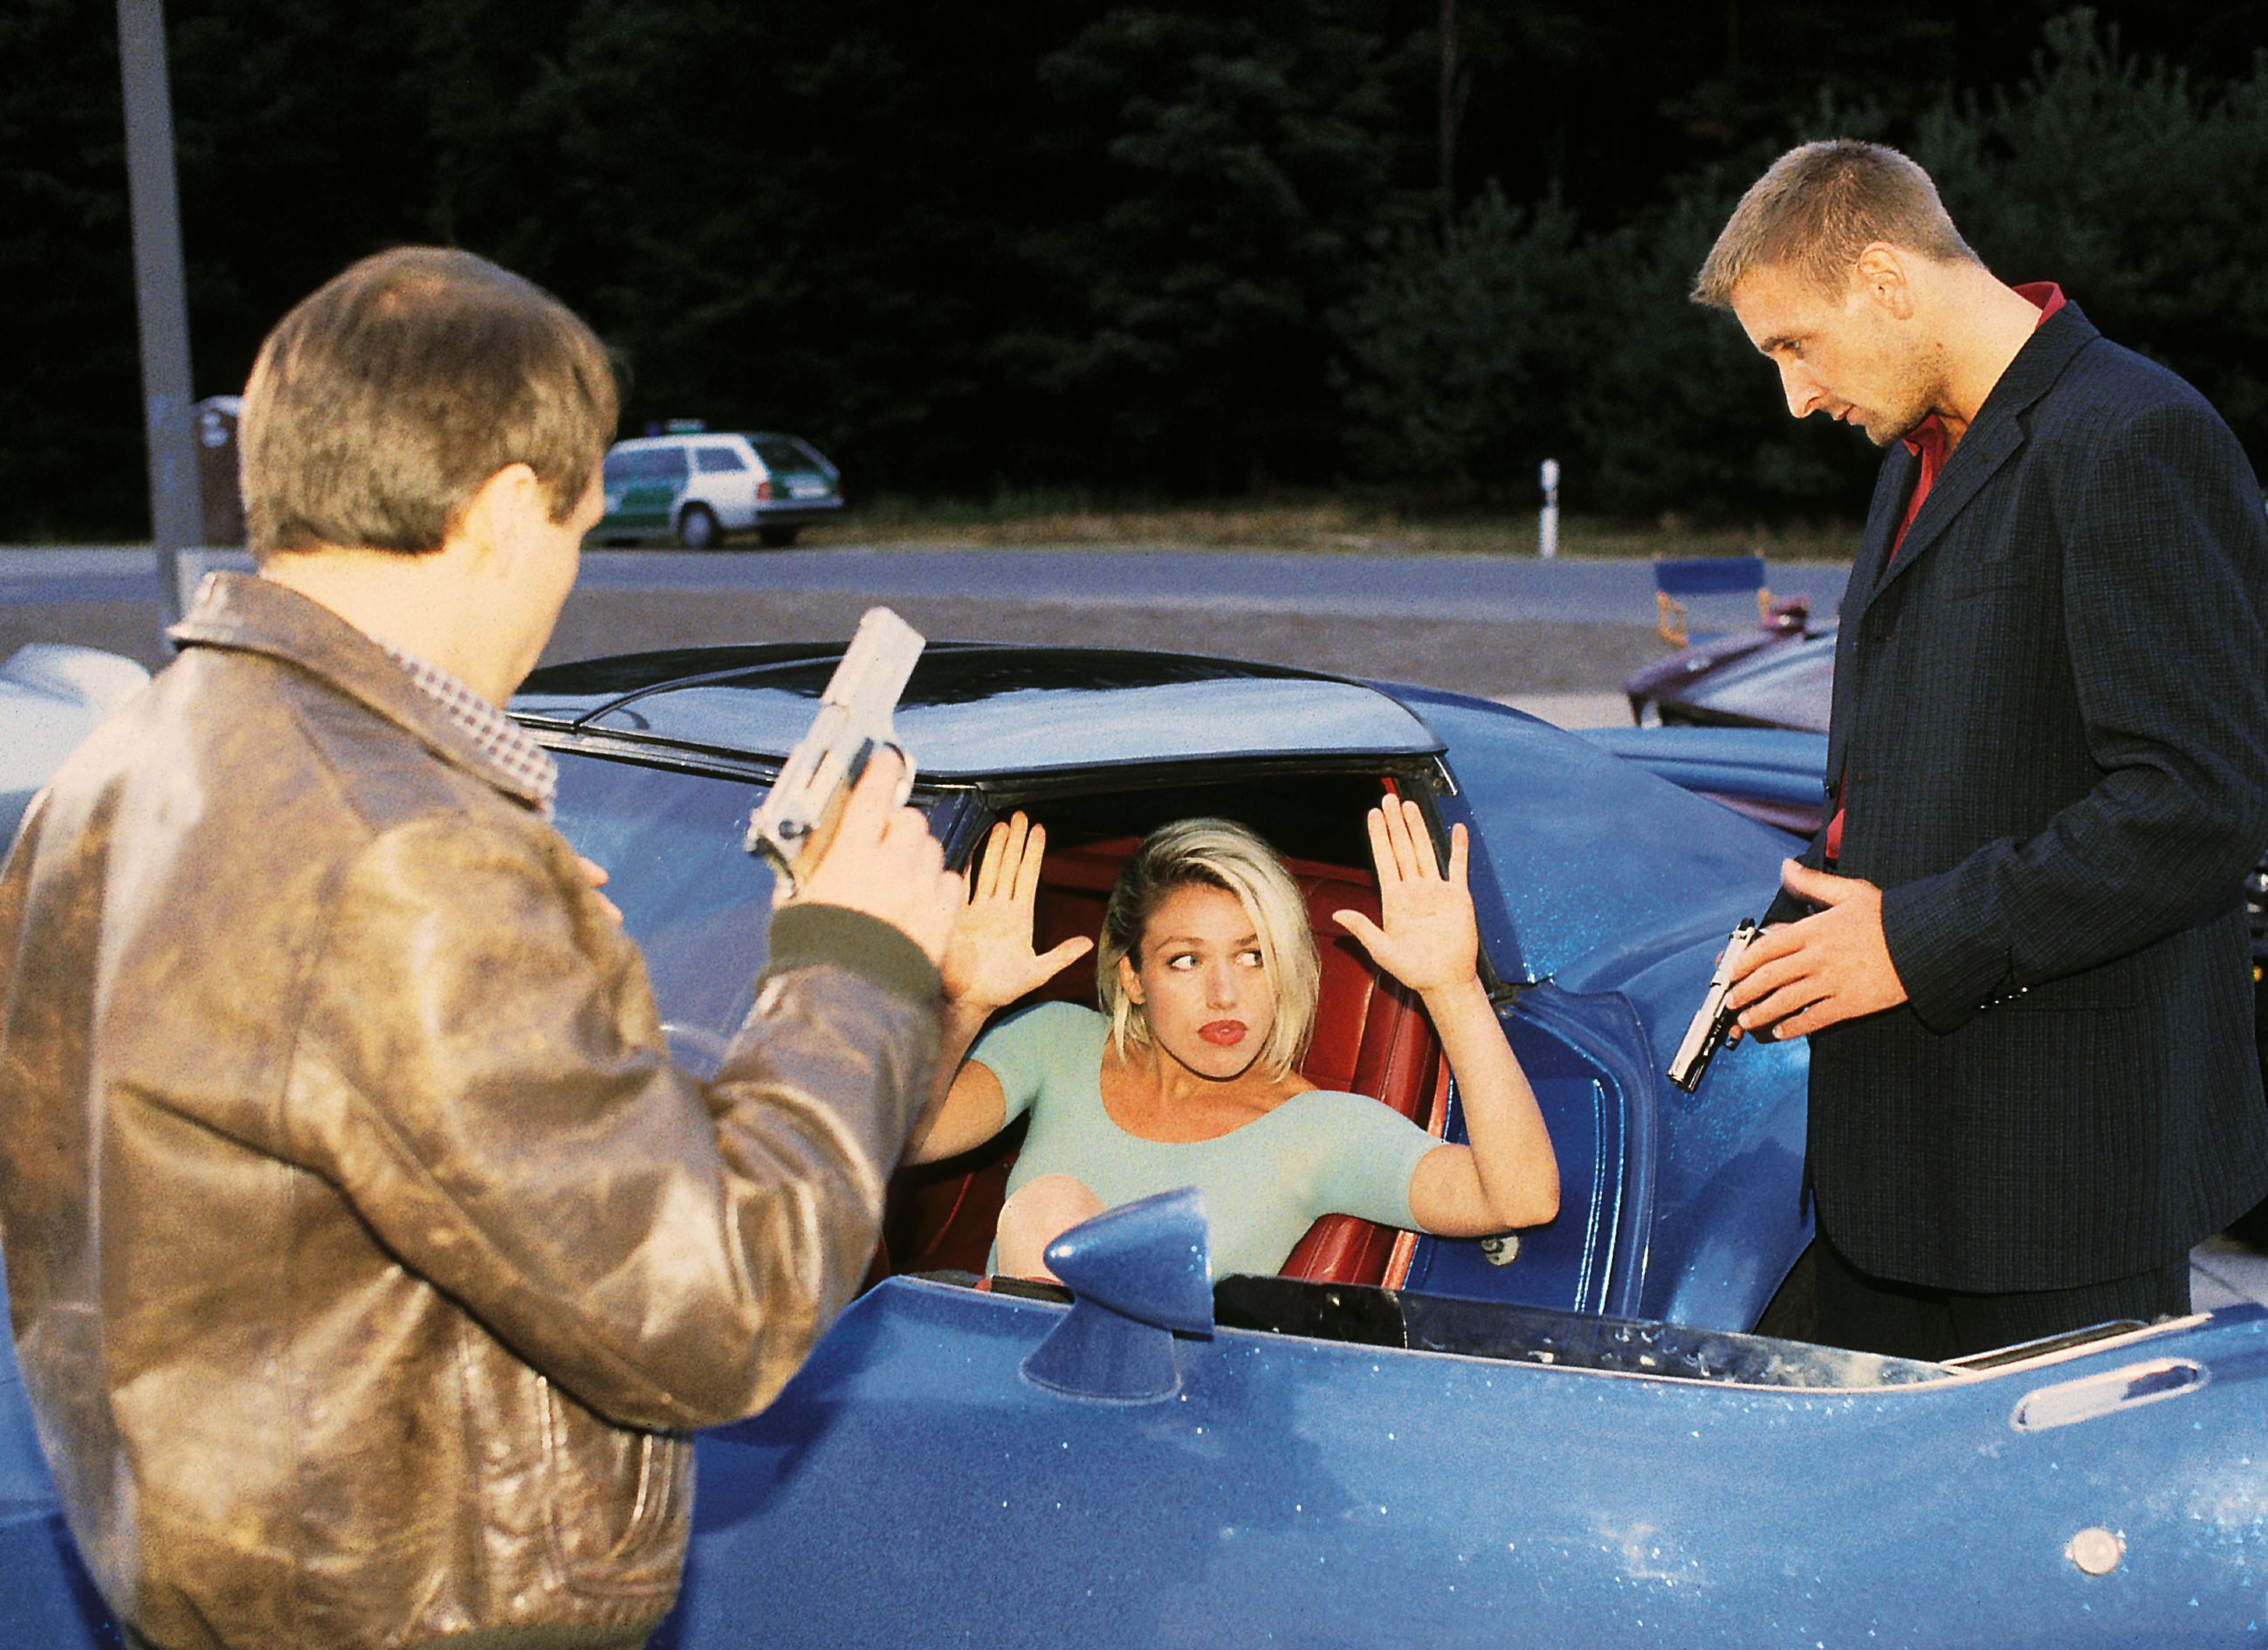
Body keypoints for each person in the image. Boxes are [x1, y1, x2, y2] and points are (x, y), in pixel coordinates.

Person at [0, 248, 963, 1650]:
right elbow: (718, 1308)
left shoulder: (119, 766)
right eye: (576, 530)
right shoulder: (405, 853)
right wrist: (852, 960)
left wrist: (545, 969)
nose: (564, 578)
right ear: (510, 510)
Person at [1691, 141, 2268, 1358]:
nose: (1793, 398)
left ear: (1888, 279)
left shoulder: (2133, 434)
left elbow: (2201, 801)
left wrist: (1912, 936)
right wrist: (1809, 919)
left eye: (1794, 345)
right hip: (1896, 1168)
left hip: (2052, 1181)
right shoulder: (1915, 452)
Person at [909, 805, 1559, 1279]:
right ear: (1132, 977)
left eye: (1253, 957)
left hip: (1145, 1432)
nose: (1225, 995)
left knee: (1051, 1207)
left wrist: (1452, 987)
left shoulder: (1316, 1130)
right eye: (1185, 961)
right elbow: (908, 1137)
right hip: (983, 1387)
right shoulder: (1059, 1042)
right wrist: (963, 1003)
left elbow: (1519, 1198)